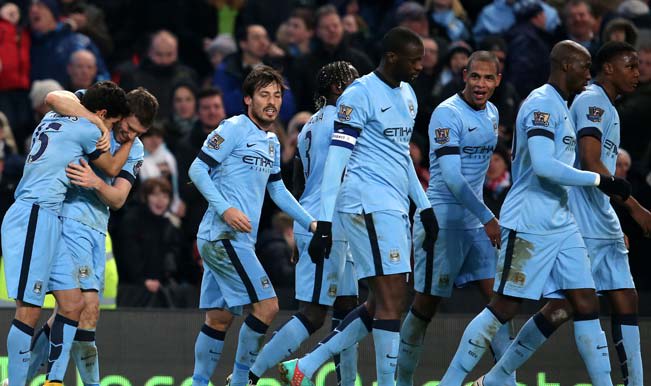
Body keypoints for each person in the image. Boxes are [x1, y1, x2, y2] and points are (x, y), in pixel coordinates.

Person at [436, 40, 631, 386]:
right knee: (504, 307)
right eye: (584, 67)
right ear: (565, 66)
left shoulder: (561, 105)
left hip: (561, 221)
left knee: (585, 302)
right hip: (528, 220)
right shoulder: (541, 104)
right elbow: (542, 166)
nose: (589, 75)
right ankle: (454, 382)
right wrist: (599, 179)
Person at [279, 27, 437, 386]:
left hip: (393, 203)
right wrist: (323, 222)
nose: (420, 67)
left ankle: (307, 364)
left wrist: (424, 206)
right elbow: (337, 160)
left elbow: (401, 157)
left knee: (382, 300)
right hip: (366, 202)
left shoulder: (409, 96)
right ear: (392, 57)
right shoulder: (359, 95)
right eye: (414, 60)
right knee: (391, 298)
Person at [187, 65, 316, 386]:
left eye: (276, 95)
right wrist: (225, 209)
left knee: (218, 319)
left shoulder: (271, 140)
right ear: (248, 99)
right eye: (264, 95)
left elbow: (277, 190)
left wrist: (310, 223)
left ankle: (200, 382)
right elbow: (197, 170)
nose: (271, 101)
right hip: (223, 235)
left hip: (236, 240)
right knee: (268, 306)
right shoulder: (233, 127)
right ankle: (242, 379)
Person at [22, 85, 157, 385]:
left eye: (139, 133)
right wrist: (95, 122)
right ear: (118, 114)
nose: (130, 136)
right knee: (86, 307)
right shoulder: (96, 110)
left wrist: (96, 183)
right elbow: (55, 98)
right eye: (128, 127)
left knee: (73, 313)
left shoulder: (134, 148)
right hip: (69, 218)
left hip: (98, 228)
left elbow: (119, 198)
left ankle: (22, 379)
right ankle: (58, 380)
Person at [396, 51, 515, 386]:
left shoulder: (492, 113)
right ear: (464, 75)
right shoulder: (447, 114)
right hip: (443, 222)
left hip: (475, 224)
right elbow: (451, 177)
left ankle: (505, 380)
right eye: (475, 76)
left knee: (500, 304)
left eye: (488, 78)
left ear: (497, 81)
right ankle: (401, 381)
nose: (480, 84)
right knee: (425, 307)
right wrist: (489, 216)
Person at [0, 80, 129, 386]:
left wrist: (99, 120)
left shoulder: (54, 116)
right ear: (101, 112)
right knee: (30, 310)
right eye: (114, 122)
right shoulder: (90, 131)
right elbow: (110, 168)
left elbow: (59, 97)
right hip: (32, 213)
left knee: (72, 302)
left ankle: (53, 380)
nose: (111, 130)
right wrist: (126, 140)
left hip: (50, 217)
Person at [246, 61, 360, 386]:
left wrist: (301, 230)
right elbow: (328, 181)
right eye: (353, 82)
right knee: (313, 314)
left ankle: (348, 383)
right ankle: (249, 376)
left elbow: (300, 178)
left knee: (348, 307)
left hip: (324, 223)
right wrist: (315, 227)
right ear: (338, 88)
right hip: (327, 224)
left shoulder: (310, 123)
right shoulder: (339, 121)